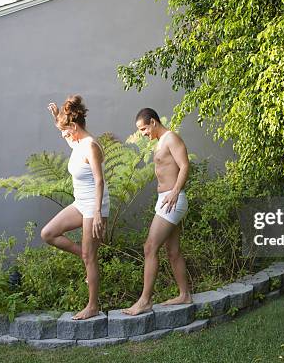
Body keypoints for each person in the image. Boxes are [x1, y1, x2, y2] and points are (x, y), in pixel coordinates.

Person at [40, 95, 110, 320]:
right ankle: (85, 254)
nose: (64, 135)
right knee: (48, 233)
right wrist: (56, 119)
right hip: (80, 203)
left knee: (91, 258)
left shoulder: (90, 146)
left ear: (75, 126)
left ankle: (93, 306)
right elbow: (68, 138)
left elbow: (99, 180)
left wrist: (98, 213)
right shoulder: (77, 142)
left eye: (66, 130)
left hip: (94, 206)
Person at [123, 108, 191, 315]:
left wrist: (175, 192)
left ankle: (145, 300)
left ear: (153, 122)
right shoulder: (160, 142)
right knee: (173, 251)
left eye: (143, 128)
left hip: (173, 199)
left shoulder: (171, 138)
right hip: (166, 199)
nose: (143, 133)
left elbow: (185, 166)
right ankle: (184, 295)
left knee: (149, 247)